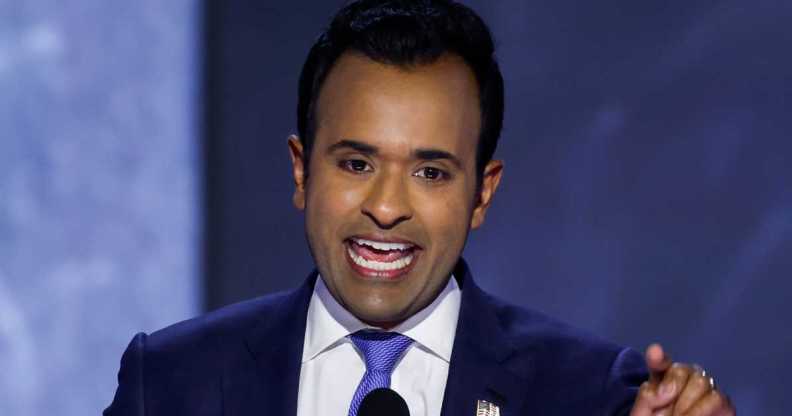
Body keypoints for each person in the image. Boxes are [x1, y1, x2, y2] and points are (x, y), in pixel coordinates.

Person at [105, 1, 735, 415]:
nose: (385, 208)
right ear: (301, 171)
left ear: (481, 194)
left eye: (431, 172)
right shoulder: (167, 384)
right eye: (356, 164)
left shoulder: (589, 395)